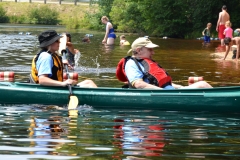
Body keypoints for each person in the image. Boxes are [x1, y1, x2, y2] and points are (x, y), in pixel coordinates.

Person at [116, 37, 212, 89]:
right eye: (150, 49)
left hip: (168, 93)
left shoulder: (145, 62)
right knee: (202, 85)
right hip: (163, 95)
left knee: (202, 85)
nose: (153, 52)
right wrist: (165, 93)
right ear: (139, 50)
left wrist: (181, 87)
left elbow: (161, 83)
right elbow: (139, 85)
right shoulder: (131, 64)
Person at [30, 30, 97, 88]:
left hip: (54, 88)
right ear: (49, 43)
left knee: (89, 82)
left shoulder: (52, 55)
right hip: (49, 90)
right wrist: (63, 83)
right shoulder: (46, 57)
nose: (59, 42)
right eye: (57, 41)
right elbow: (42, 80)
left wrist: (62, 65)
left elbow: (53, 69)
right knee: (89, 84)